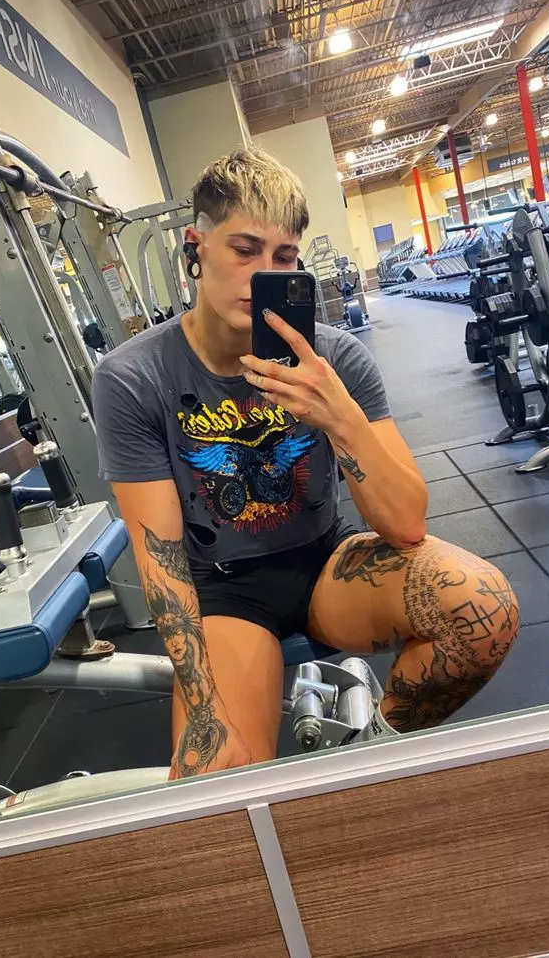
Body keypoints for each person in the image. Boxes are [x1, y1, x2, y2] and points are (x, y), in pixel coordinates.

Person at [92, 147, 520, 780]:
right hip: (224, 592)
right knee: (218, 786)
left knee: (484, 610)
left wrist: (339, 417)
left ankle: (370, 756)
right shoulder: (134, 377)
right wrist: (206, 713)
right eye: (244, 250)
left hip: (328, 565)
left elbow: (406, 524)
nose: (263, 274)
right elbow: (161, 557)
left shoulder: (335, 360)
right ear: (195, 248)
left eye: (284, 257)